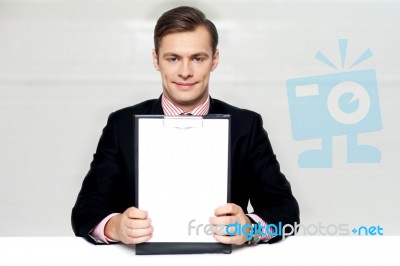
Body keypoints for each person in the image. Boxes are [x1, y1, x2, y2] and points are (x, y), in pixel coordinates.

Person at [71, 6, 299, 246]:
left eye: (197, 58)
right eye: (173, 58)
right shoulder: (122, 125)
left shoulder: (246, 126)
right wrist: (115, 227)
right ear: (156, 60)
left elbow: (286, 212)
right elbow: (85, 211)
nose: (185, 72)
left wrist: (250, 228)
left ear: (215, 60)